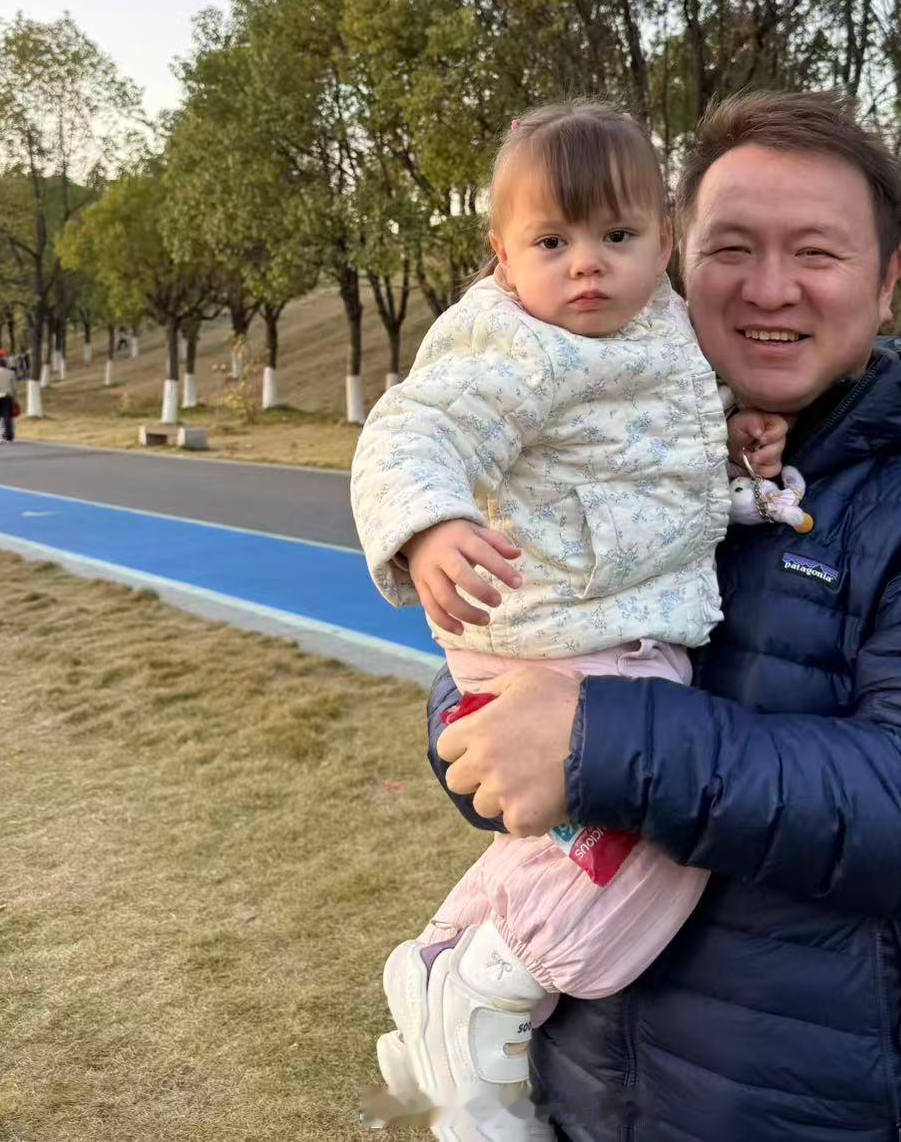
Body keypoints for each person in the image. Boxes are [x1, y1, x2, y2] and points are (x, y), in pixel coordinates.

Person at [428, 90, 901, 1142]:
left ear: (887, 279)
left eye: (816, 252)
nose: (768, 287)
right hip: (587, 1091)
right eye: (730, 248)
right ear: (679, 261)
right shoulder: (633, 451)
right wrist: (479, 730)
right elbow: (510, 669)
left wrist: (590, 740)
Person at [352, 102, 788, 1140]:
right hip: (552, 635)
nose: (586, 264)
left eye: (616, 235)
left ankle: (441, 963)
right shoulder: (511, 340)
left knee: (583, 843)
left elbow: (641, 450)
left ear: (663, 241)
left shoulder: (663, 327)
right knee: (659, 845)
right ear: (502, 254)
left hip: (612, 628)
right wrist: (429, 523)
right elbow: (412, 430)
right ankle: (488, 998)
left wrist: (729, 446)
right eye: (551, 242)